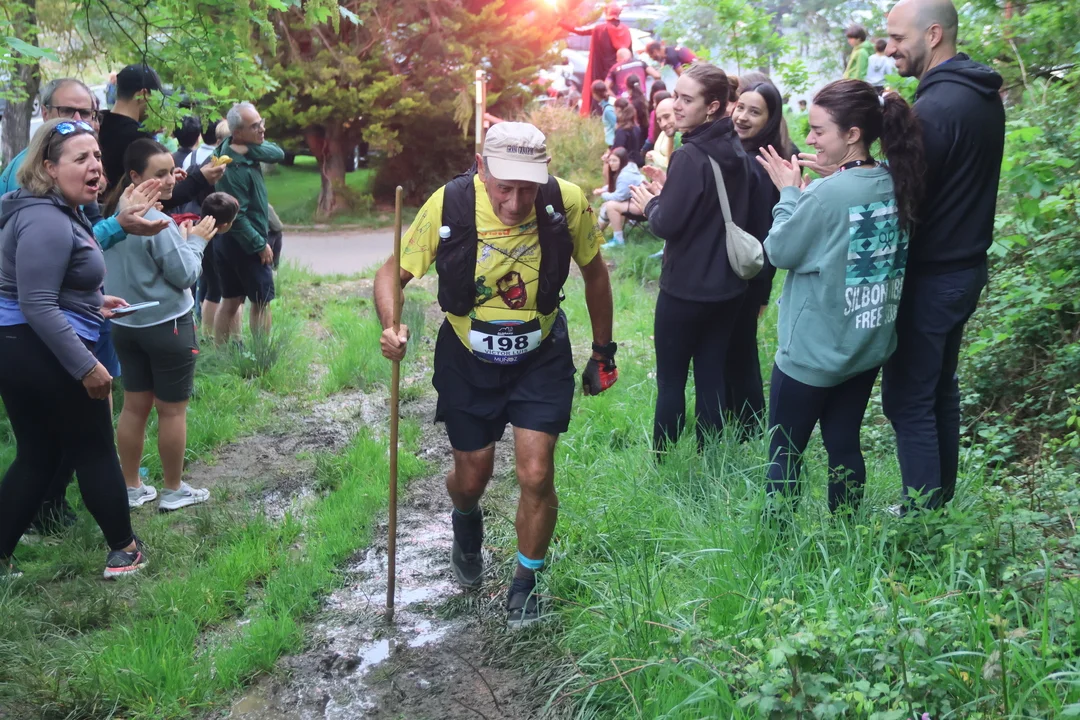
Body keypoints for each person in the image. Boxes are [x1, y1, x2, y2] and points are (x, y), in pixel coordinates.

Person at [374, 122, 617, 627]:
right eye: (505, 188)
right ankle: (466, 520)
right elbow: (392, 272)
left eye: (527, 188)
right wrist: (391, 324)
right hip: (467, 358)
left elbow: (595, 273)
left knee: (537, 473)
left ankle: (526, 584)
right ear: (482, 169)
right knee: (472, 477)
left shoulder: (566, 202)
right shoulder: (450, 204)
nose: (515, 202)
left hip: (541, 354)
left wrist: (602, 352)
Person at [756, 79, 924, 513]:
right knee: (844, 443)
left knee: (784, 450)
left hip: (811, 353)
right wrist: (835, 178)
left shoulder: (826, 194)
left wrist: (789, 193)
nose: (810, 139)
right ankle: (848, 530)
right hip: (864, 347)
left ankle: (775, 538)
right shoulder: (894, 178)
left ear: (852, 134)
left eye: (818, 131)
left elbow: (779, 250)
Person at [0, 118, 147, 578]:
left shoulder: (55, 210)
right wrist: (86, 366)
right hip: (43, 350)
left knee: (38, 454)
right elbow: (37, 303)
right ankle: (124, 550)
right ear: (48, 167)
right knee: (94, 449)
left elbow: (44, 286)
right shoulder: (45, 220)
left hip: (23, 348)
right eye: (80, 158)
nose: (95, 166)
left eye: (97, 156)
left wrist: (93, 302)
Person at [880, 0, 1005, 510]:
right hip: (966, 269)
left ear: (932, 35)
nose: (888, 49)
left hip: (933, 277)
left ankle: (921, 517)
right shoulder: (981, 94)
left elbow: (905, 196)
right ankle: (939, 504)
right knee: (938, 390)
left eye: (897, 38)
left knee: (909, 398)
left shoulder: (935, 110)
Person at [628, 64, 773, 453]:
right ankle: (710, 457)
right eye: (676, 95)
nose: (676, 105)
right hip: (728, 289)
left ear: (712, 107)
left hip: (685, 290)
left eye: (686, 99)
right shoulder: (736, 149)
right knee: (710, 377)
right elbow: (712, 208)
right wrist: (671, 192)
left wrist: (651, 203)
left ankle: (665, 462)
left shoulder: (690, 155)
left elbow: (667, 224)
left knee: (671, 381)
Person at [102, 139, 219, 512]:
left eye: (172, 172)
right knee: (172, 411)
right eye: (160, 174)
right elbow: (184, 275)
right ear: (135, 176)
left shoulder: (111, 216)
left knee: (134, 407)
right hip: (168, 326)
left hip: (125, 324)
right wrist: (196, 242)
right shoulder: (159, 221)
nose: (170, 180)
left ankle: (131, 487)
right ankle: (173, 489)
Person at [725, 80, 797, 440]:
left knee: (740, 349)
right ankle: (733, 421)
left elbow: (770, 228)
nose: (742, 116)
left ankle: (749, 427)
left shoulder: (765, 161)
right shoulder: (736, 150)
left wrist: (763, 289)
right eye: (740, 107)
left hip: (750, 270)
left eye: (754, 112)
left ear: (770, 119)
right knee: (729, 347)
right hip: (731, 267)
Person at [98, 64, 226, 204]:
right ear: (142, 94)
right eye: (156, 98)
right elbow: (158, 198)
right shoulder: (137, 139)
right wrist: (201, 178)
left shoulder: (98, 125)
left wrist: (163, 174)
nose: (158, 106)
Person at [212, 101, 285, 344]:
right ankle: (260, 356)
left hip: (230, 239)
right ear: (237, 133)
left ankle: (223, 356)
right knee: (261, 301)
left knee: (231, 299)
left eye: (261, 122)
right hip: (243, 240)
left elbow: (278, 153)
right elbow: (238, 215)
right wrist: (259, 245)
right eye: (254, 126)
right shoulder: (231, 167)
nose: (261, 129)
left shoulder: (240, 149)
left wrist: (250, 148)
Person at [562, 3, 632, 117]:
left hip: (601, 72)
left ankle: (599, 114)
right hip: (620, 72)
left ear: (606, 12)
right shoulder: (625, 30)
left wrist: (561, 23)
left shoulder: (599, 29)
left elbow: (579, 31)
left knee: (601, 94)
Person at [594, 147, 643, 249]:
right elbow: (620, 187)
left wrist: (602, 194)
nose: (611, 163)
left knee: (611, 206)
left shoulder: (626, 175)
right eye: (610, 160)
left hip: (642, 207)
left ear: (622, 161)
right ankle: (594, 235)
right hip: (637, 202)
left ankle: (618, 241)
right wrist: (604, 190)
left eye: (615, 160)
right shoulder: (627, 168)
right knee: (606, 206)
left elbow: (619, 197)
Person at [645, 97, 677, 171]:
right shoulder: (664, 133)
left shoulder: (684, 139)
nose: (663, 124)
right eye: (659, 120)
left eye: (667, 117)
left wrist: (654, 156)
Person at [592, 81, 617, 147]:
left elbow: (617, 126)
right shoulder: (612, 100)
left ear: (595, 94)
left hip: (613, 143)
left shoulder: (608, 110)